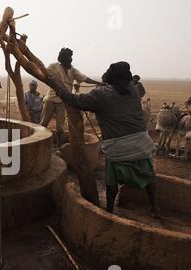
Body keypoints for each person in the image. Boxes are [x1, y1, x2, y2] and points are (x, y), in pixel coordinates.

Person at [49, 61, 158, 215]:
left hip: (117, 148)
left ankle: (109, 210)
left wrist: (58, 89)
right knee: (149, 175)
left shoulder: (101, 95)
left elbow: (74, 100)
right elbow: (130, 85)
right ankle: (155, 208)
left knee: (111, 180)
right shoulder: (133, 90)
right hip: (142, 145)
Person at [41, 48, 102, 147]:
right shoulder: (53, 66)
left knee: (60, 128)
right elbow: (45, 74)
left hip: (62, 101)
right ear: (63, 59)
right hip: (51, 100)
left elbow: (84, 78)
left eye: (71, 57)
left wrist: (98, 83)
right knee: (43, 123)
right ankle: (41, 143)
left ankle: (59, 146)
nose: (71, 60)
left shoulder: (72, 70)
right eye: (69, 57)